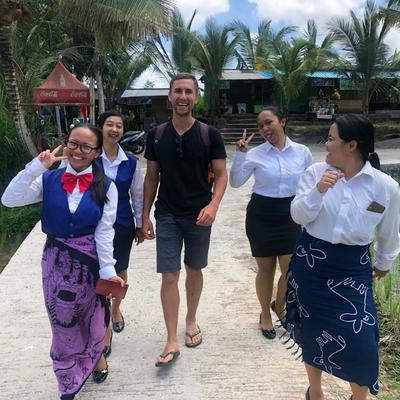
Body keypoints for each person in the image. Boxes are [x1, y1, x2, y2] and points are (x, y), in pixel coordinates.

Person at [1, 124, 125, 400]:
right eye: (73, 143)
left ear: (96, 152)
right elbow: (9, 199)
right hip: (56, 262)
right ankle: (67, 379)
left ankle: (96, 358)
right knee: (63, 321)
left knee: (92, 319)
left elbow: (105, 232)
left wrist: (108, 271)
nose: (77, 151)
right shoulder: (48, 180)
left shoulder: (107, 186)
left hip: (90, 262)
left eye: (86, 147)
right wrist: (36, 167)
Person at [286, 114, 400, 400]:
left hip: (352, 268)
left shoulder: (385, 186)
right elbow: (298, 215)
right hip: (312, 264)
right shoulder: (315, 173)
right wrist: (319, 190)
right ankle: (315, 392)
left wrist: (384, 263)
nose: (325, 144)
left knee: (363, 342)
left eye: (330, 138)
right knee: (313, 330)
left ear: (352, 145)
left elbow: (389, 231)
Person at [143, 72, 228, 367]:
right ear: (169, 96)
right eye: (178, 91)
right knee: (169, 275)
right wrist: (144, 216)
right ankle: (171, 338)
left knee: (194, 269)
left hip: (199, 215)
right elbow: (151, 177)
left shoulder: (209, 134)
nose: (182, 97)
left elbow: (221, 175)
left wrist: (214, 205)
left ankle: (191, 320)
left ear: (196, 97)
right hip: (167, 213)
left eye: (188, 92)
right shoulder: (156, 135)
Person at [230, 107, 313, 339]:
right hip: (261, 215)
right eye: (260, 126)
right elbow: (235, 182)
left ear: (282, 121)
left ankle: (280, 304)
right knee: (265, 269)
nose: (265, 128)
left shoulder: (302, 152)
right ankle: (265, 313)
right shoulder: (255, 154)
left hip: (290, 214)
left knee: (291, 270)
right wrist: (241, 155)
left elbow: (310, 183)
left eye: (269, 122)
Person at [96, 110, 144, 357]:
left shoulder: (131, 162)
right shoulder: (90, 158)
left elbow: (137, 194)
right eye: (109, 125)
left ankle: (116, 309)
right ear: (101, 128)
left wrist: (140, 224)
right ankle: (104, 327)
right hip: (93, 224)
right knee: (99, 273)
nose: (114, 129)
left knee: (120, 270)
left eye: (119, 126)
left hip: (123, 224)